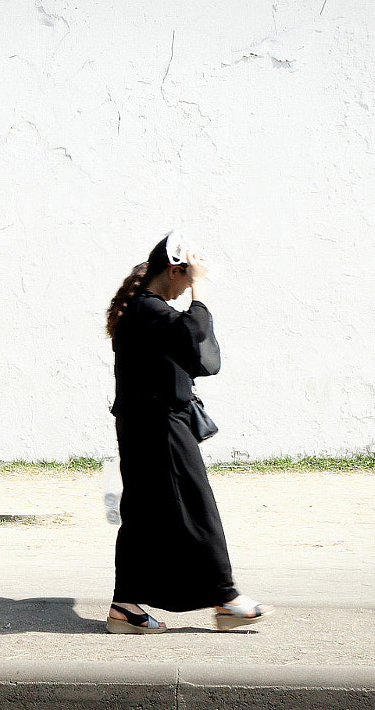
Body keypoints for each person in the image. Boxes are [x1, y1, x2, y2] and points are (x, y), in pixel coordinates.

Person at [102, 232, 270, 633]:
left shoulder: (146, 310)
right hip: (159, 423)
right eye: (187, 275)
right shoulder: (148, 309)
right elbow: (193, 332)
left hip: (145, 423)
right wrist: (200, 290)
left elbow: (194, 354)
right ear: (175, 270)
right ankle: (226, 598)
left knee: (142, 513)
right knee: (196, 504)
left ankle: (125, 608)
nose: (188, 286)